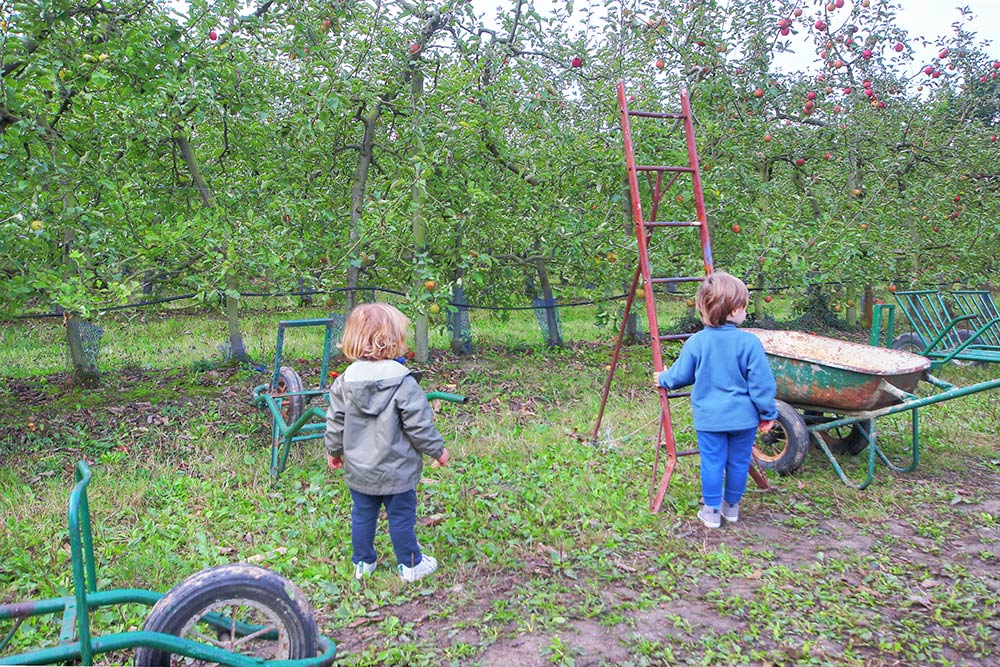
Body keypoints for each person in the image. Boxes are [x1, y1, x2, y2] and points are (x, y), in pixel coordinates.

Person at [325, 303, 450, 582]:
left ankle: (363, 563)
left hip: (360, 468)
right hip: (397, 469)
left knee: (363, 514)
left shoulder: (344, 382)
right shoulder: (404, 382)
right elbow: (418, 425)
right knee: (401, 516)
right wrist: (437, 450)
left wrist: (334, 451)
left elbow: (335, 422)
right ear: (395, 339)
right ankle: (410, 564)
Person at [654, 271, 777, 528]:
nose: (745, 312)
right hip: (743, 418)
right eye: (743, 306)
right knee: (739, 462)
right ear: (733, 311)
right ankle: (731, 508)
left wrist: (662, 378)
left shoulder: (696, 342)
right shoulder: (749, 343)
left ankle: (711, 511)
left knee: (712, 462)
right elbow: (761, 384)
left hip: (710, 419)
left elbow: (680, 375)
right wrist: (767, 414)